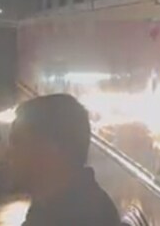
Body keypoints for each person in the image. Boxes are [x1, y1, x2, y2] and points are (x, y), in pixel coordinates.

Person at [7, 93, 120, 226]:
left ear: (51, 149)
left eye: (17, 142)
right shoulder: (49, 203)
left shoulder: (83, 217)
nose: (9, 153)